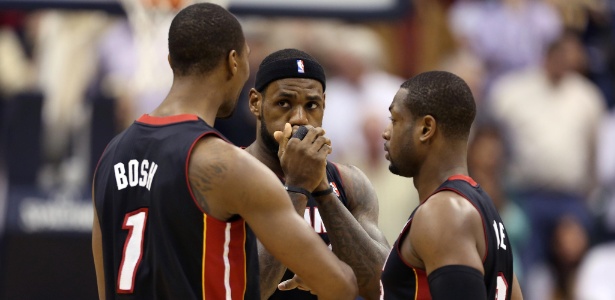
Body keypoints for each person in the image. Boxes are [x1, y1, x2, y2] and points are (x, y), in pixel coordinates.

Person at [91, 4, 358, 300]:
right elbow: (340, 286)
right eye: (246, 59)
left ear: (170, 62)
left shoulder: (110, 156)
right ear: (234, 62)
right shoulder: (225, 163)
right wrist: (299, 186)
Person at [243, 48, 390, 300]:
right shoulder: (228, 174)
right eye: (284, 103)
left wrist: (322, 188)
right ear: (256, 103)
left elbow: (381, 286)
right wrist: (297, 187)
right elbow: (248, 291)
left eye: (311, 105)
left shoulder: (349, 182)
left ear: (324, 104)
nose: (299, 118)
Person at [380, 71, 523, 299]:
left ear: (426, 129)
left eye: (395, 120)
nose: (386, 133)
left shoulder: (444, 213)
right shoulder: (484, 209)